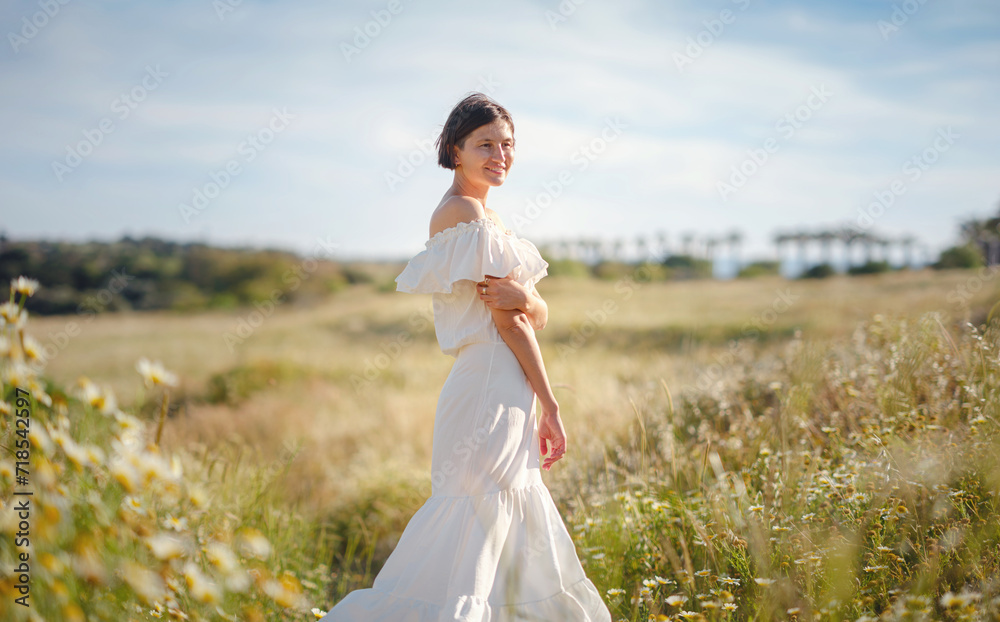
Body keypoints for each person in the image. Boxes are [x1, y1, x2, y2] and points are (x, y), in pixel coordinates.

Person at [321, 93, 611, 621]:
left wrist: (526, 298)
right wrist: (551, 403)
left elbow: (531, 310)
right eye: (485, 145)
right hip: (490, 386)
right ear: (455, 151)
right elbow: (512, 321)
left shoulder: (487, 217)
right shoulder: (463, 213)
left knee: (503, 522)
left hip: (501, 382)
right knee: (478, 522)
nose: (500, 155)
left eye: (507, 144)